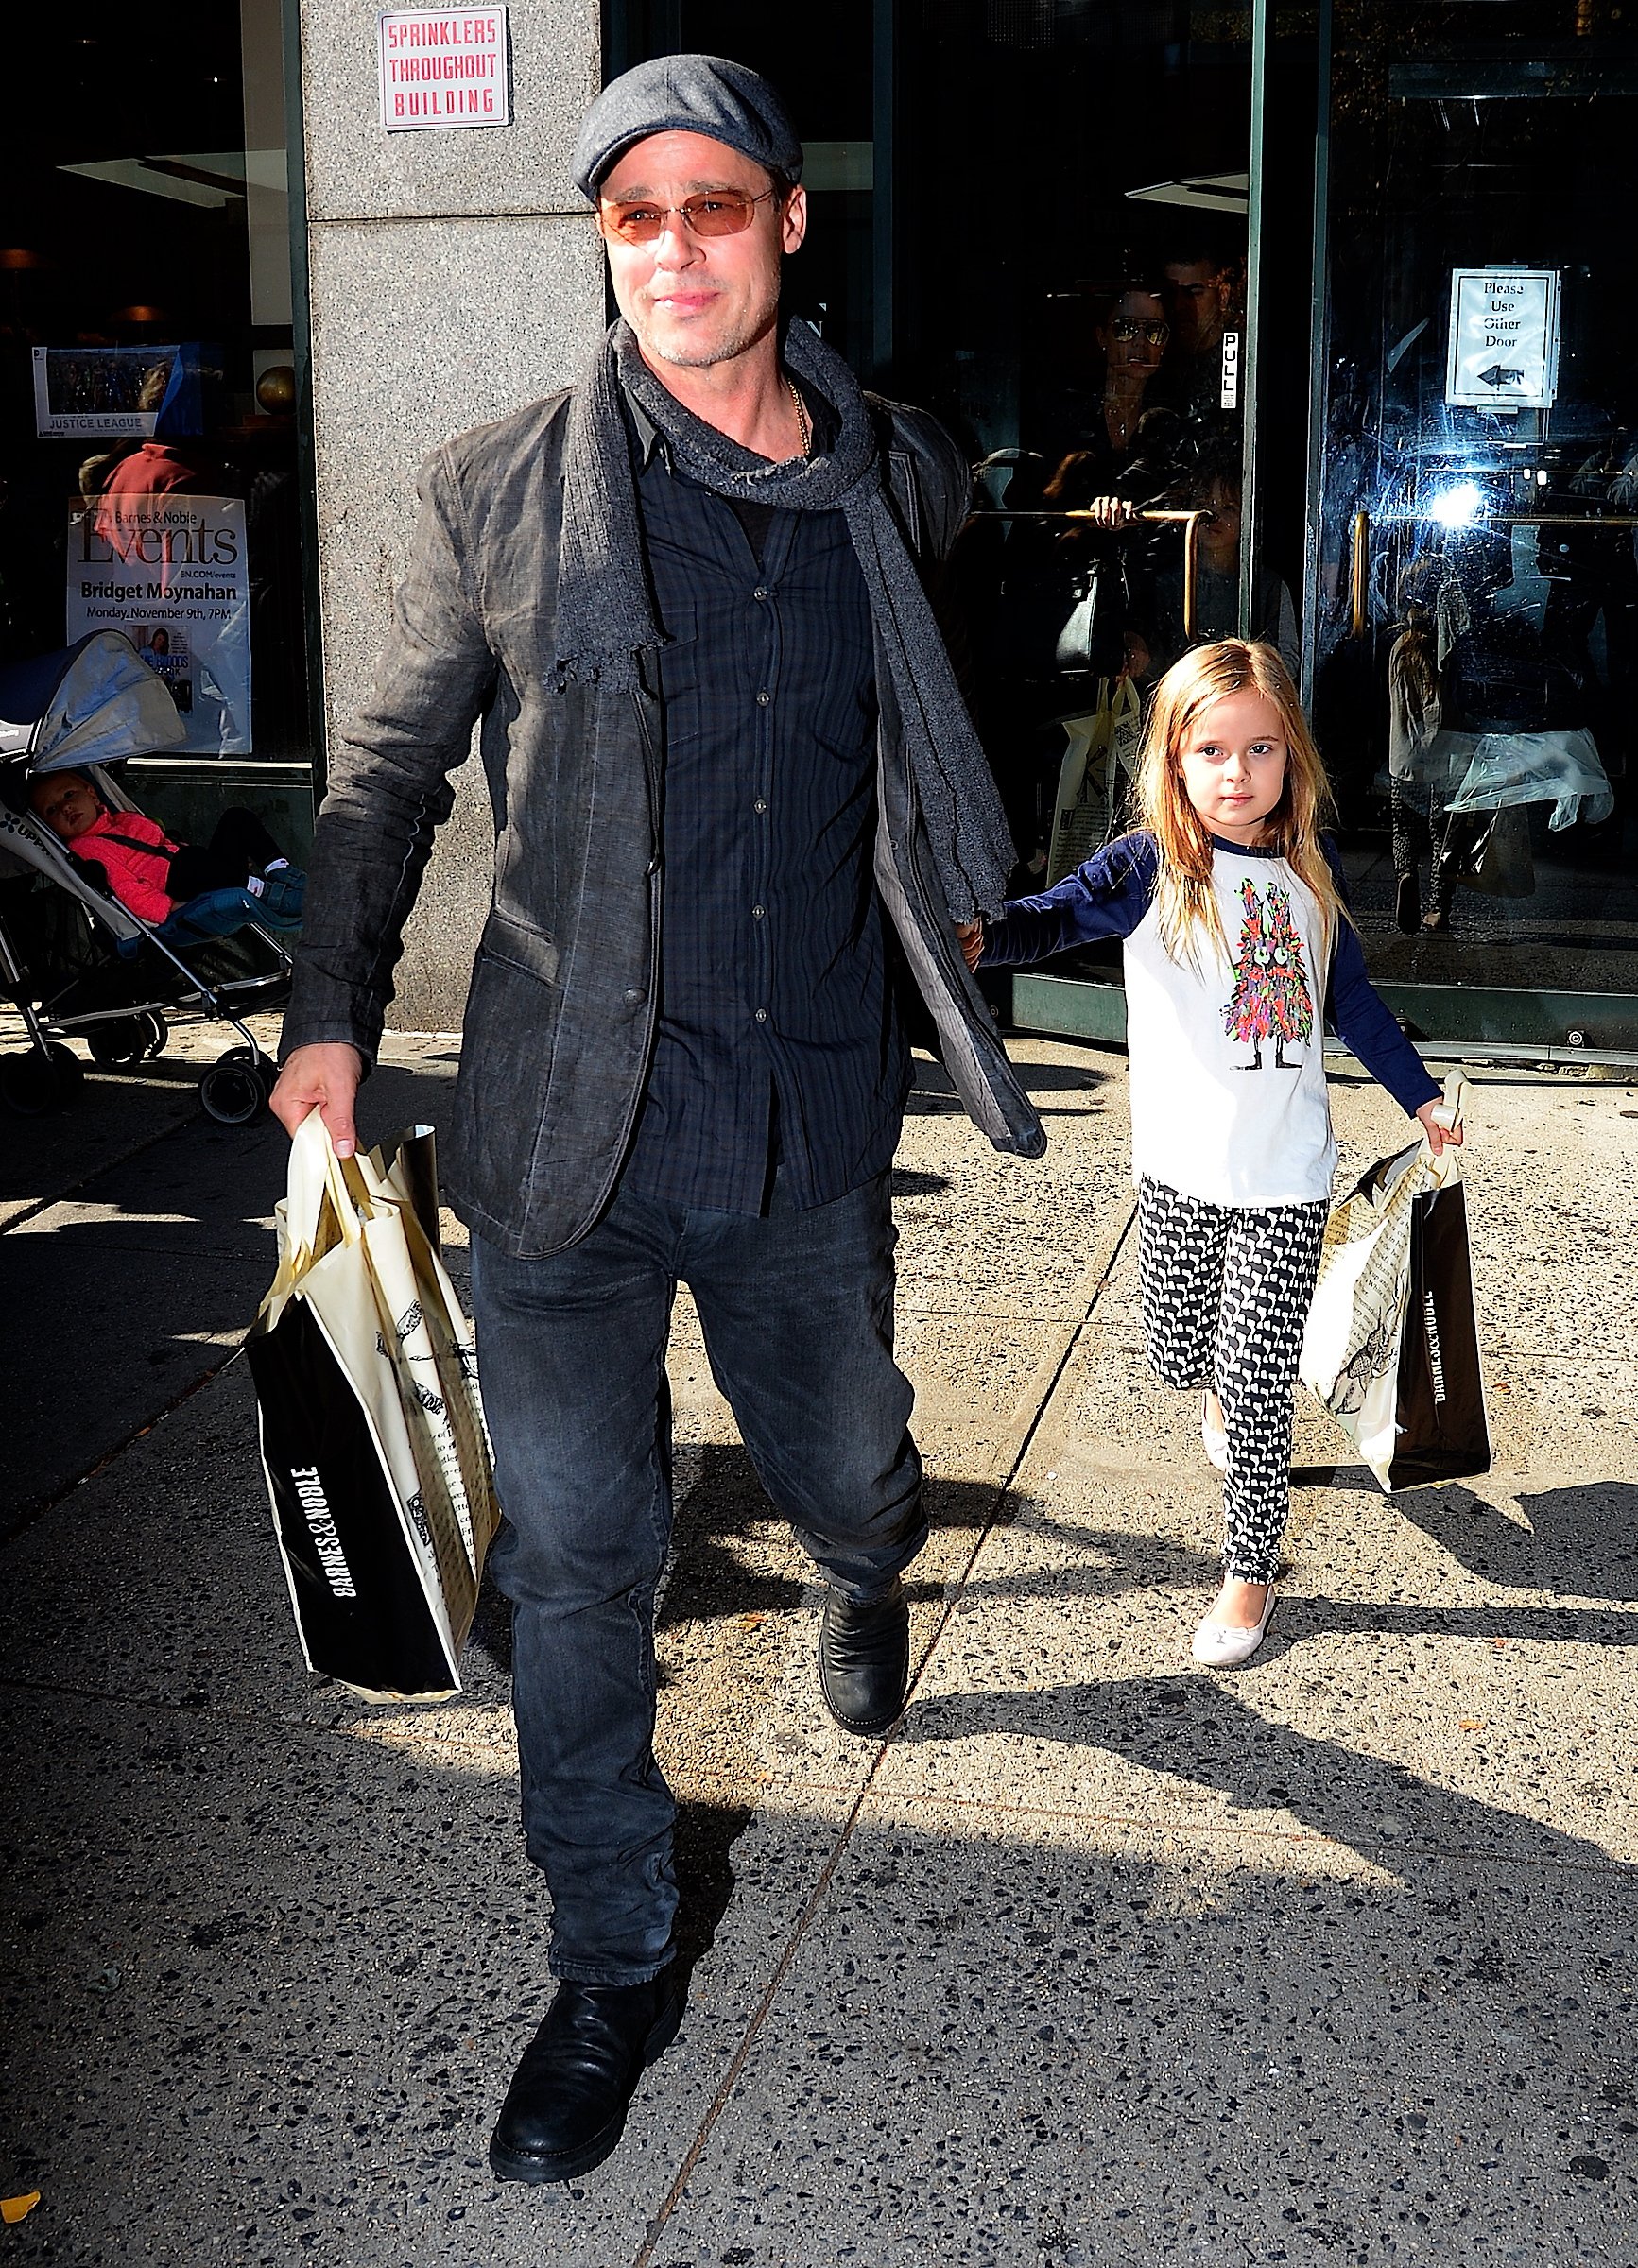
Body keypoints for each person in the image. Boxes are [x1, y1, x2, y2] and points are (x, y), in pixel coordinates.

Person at [269, 54, 1044, 2190]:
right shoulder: (493, 488)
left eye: (714, 206)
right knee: (587, 1554)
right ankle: (607, 1954)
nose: (673, 246)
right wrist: (327, 1015)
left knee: (843, 1456)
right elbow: (382, 777)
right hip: (561, 1132)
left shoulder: (893, 484)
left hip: (798, 1119)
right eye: (633, 217)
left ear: (788, 225)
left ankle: (864, 1566)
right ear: (605, 245)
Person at [969, 640, 1457, 1668]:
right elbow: (1051, 920)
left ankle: (1249, 1570)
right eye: (1212, 751)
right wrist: (982, 938)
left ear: (1292, 759)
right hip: (1178, 1172)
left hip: (1283, 1174)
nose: (1236, 774)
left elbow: (1352, 1004)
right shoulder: (1153, 864)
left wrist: (1419, 1100)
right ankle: (1223, 1399)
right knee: (1177, 1351)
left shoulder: (1305, 876)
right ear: (1173, 760)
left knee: (1251, 1379)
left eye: (1260, 750)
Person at [27, 767, 304, 940]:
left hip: (200, 870)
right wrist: (168, 909)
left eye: (68, 796)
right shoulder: (86, 848)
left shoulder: (121, 821)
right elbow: (124, 888)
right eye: (52, 810)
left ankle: (281, 871)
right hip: (176, 888)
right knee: (192, 861)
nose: (64, 808)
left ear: (92, 793)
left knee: (237, 819)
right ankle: (271, 895)